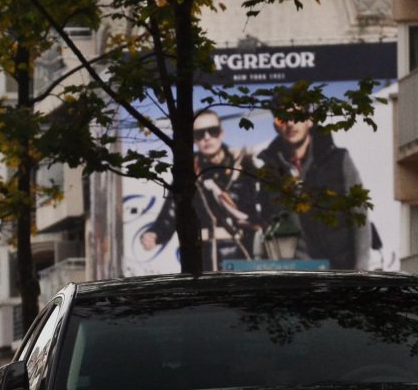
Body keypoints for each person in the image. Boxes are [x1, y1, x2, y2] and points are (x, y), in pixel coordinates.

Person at [140, 109, 265, 271]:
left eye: (212, 131)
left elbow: (264, 208)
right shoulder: (187, 173)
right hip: (201, 259)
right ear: (193, 139)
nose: (207, 138)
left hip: (242, 255)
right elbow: (171, 212)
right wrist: (155, 233)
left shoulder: (245, 168)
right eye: (199, 134)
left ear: (221, 134)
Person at [256, 109, 371, 271]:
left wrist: (361, 271)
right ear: (276, 126)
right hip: (297, 275)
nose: (290, 123)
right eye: (282, 119)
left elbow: (360, 217)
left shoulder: (338, 160)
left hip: (340, 272)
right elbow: (268, 228)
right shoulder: (268, 174)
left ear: (310, 120)